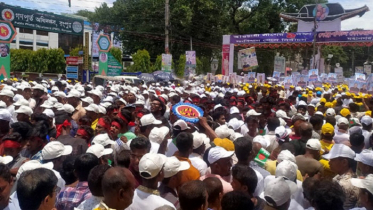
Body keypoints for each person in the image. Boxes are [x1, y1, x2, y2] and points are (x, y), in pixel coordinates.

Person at [322, 144, 359, 209]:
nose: (329, 162)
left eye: (332, 160)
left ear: (344, 162)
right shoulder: (341, 176)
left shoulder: (343, 184)